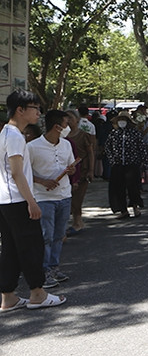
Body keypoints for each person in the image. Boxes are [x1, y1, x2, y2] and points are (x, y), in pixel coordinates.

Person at [0, 89, 66, 311]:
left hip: (5, 201)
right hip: (18, 200)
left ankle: (8, 296)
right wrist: (31, 201)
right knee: (32, 246)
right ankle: (37, 293)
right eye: (35, 108)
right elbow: (17, 173)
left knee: (10, 249)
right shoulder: (15, 136)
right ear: (20, 110)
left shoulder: (4, 134)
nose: (39, 113)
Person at [29, 110, 77, 289]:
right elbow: (23, 173)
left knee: (59, 235)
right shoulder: (32, 147)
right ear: (57, 126)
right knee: (46, 235)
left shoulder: (66, 145)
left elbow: (70, 165)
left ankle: (54, 266)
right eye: (66, 124)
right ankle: (44, 270)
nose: (68, 127)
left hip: (64, 195)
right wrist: (42, 181)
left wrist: (71, 171)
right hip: (43, 197)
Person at [105, 112, 147, 217]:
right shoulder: (113, 133)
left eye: (124, 119)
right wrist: (112, 160)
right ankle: (123, 210)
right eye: (120, 119)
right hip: (118, 165)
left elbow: (141, 147)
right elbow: (107, 147)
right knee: (118, 188)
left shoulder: (134, 133)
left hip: (132, 164)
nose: (122, 122)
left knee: (133, 187)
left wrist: (143, 161)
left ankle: (135, 207)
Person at [65, 110, 94, 236]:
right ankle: (75, 221)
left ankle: (78, 222)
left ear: (77, 120)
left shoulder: (83, 135)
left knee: (78, 198)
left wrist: (91, 170)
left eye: (70, 118)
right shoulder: (63, 136)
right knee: (69, 198)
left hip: (81, 170)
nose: (68, 121)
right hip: (68, 171)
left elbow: (90, 153)